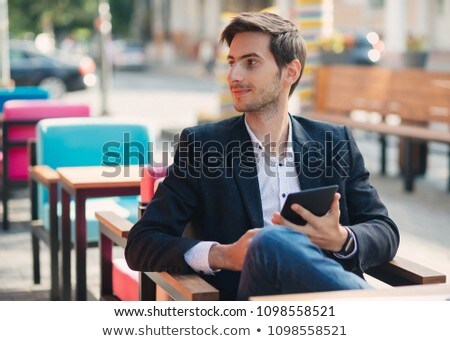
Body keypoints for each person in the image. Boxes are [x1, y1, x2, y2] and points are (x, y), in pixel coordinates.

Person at [125, 12, 399, 300]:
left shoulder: (334, 142)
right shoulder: (203, 147)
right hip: (255, 306)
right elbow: (142, 243)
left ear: (290, 72)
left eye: (250, 63)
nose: (234, 76)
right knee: (269, 243)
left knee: (273, 243)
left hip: (330, 309)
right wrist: (223, 255)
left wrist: (341, 239)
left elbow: (384, 230)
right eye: (232, 63)